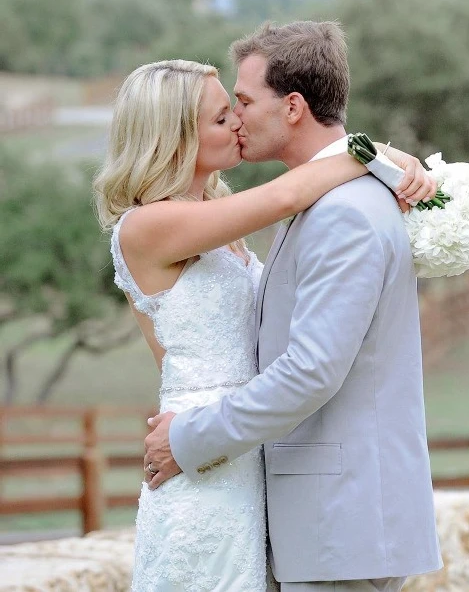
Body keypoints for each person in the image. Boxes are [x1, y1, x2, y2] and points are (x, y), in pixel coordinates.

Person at [94, 56, 437, 591]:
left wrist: (380, 160)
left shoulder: (217, 215)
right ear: (174, 135)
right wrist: (375, 154)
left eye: (237, 107)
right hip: (199, 447)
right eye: (219, 117)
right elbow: (287, 194)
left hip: (248, 443)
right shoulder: (148, 225)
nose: (236, 121)